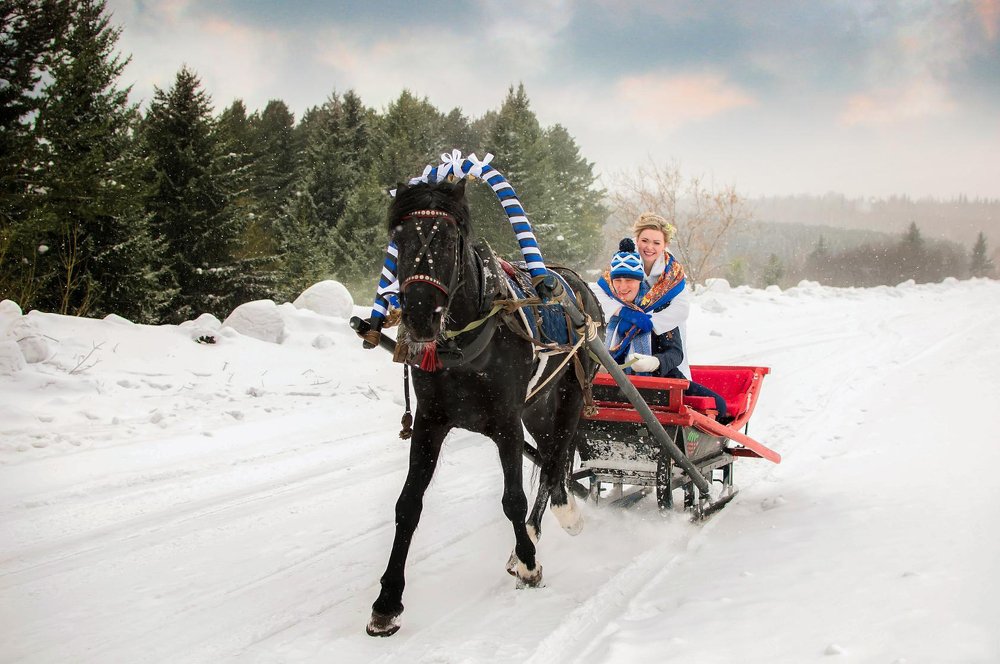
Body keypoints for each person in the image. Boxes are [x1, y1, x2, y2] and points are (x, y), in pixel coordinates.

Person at [596, 228, 730, 422]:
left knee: (719, 405)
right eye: (618, 280)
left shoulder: (658, 309)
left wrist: (655, 363)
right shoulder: (607, 311)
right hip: (613, 385)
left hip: (661, 382)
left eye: (629, 281)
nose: (623, 287)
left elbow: (675, 353)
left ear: (640, 281)